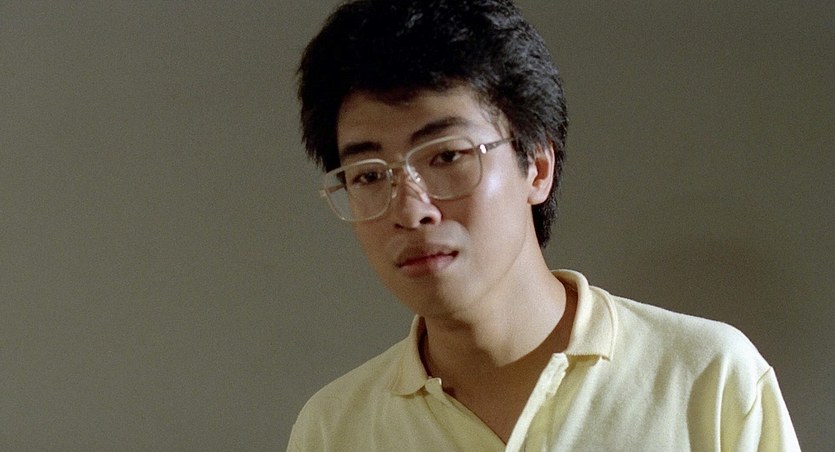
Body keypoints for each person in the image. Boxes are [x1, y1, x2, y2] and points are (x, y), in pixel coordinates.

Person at [287, 0, 800, 450]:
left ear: (536, 167)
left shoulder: (708, 380)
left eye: (447, 156)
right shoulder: (334, 430)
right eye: (369, 175)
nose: (410, 210)